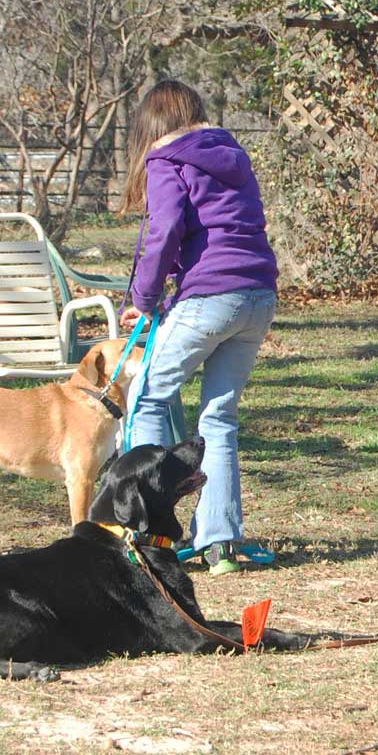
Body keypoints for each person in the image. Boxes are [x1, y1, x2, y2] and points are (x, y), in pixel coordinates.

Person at [119, 80, 279, 576]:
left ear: (152, 126)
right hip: (258, 294)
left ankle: (146, 535)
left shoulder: (167, 158)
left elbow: (164, 231)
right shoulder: (231, 152)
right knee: (218, 418)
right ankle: (221, 542)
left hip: (210, 298)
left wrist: (143, 302)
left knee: (145, 397)